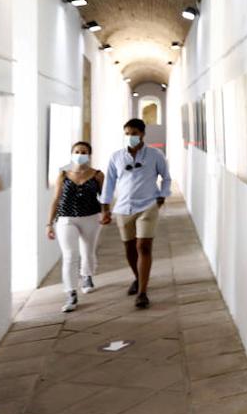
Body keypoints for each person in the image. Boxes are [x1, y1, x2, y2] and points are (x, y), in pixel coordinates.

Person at [100, 118, 171, 308]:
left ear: (142, 134)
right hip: (124, 208)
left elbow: (166, 178)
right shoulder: (116, 157)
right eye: (127, 133)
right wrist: (105, 208)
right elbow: (109, 183)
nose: (130, 137)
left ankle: (142, 292)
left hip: (148, 206)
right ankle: (138, 278)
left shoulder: (155, 155)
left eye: (134, 133)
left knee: (144, 247)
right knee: (130, 248)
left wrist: (162, 197)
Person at [46, 141, 105, 313]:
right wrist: (49, 223)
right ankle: (71, 292)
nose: (80, 154)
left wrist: (106, 212)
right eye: (77, 151)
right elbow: (56, 200)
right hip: (66, 219)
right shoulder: (63, 175)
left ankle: (87, 275)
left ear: (89, 155)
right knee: (70, 255)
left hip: (91, 217)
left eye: (84, 151)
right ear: (72, 154)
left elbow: (105, 196)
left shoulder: (97, 175)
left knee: (87, 251)